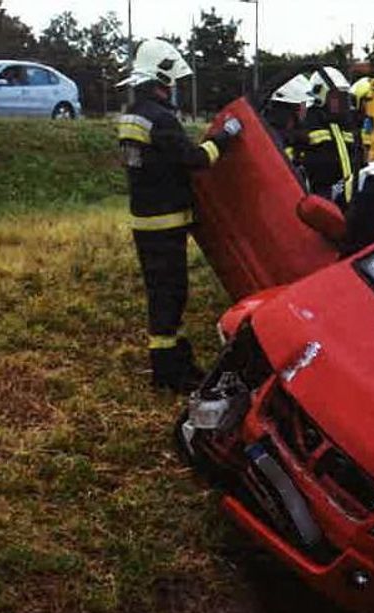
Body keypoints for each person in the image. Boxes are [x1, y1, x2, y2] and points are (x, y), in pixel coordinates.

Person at [116, 38, 243, 392]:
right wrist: (226, 137)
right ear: (162, 79)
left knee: (162, 291)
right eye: (172, 82)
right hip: (165, 220)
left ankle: (171, 358)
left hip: (145, 216)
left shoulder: (132, 115)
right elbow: (196, 159)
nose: (175, 89)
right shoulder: (160, 119)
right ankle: (167, 370)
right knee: (170, 293)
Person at [296, 67, 365, 207]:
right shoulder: (307, 123)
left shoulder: (349, 124)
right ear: (320, 95)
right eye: (336, 97)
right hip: (319, 200)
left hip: (351, 200)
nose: (342, 101)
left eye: (344, 96)